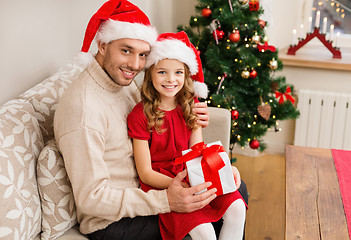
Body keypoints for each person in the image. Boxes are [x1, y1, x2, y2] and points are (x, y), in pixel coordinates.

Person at [54, 0, 248, 239]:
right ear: (102, 45)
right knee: (200, 226)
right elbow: (91, 200)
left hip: (154, 188)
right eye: (126, 50)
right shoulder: (83, 109)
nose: (135, 65)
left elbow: (166, 113)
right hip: (115, 221)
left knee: (236, 191)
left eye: (143, 55)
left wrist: (209, 160)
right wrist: (167, 200)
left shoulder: (121, 82)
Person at [127, 31, 247, 240]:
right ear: (150, 74)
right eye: (162, 72)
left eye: (178, 73)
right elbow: (145, 173)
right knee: (205, 232)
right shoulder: (139, 115)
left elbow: (197, 152)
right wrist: (180, 186)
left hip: (193, 173)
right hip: (163, 183)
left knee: (237, 208)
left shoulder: (190, 107)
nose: (171, 79)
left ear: (186, 75)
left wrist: (224, 169)